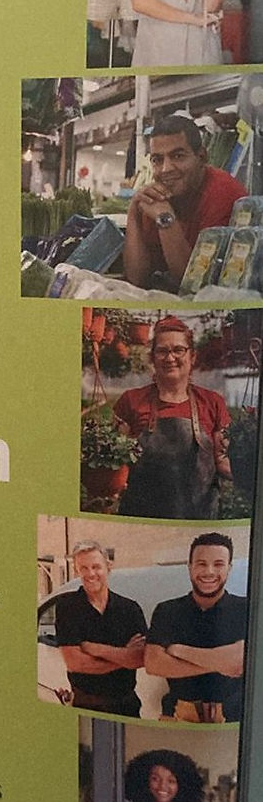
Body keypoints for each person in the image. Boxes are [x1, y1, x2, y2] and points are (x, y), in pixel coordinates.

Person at [112, 316, 232, 519]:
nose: (170, 358)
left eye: (178, 350)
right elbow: (114, 461)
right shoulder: (130, 401)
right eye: (162, 351)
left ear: (192, 356)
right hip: (141, 518)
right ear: (152, 357)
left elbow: (223, 461)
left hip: (198, 519)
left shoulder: (212, 402)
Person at [122, 115, 245, 289]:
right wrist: (134, 211)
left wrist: (166, 219)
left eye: (178, 156)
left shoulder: (224, 193)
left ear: (201, 157)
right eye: (157, 160)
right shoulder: (155, 198)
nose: (166, 169)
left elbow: (192, 283)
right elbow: (137, 279)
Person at [145, 531, 246, 721]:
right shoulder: (167, 610)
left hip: (233, 718)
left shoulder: (246, 608)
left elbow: (239, 662)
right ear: (190, 567)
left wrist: (179, 650)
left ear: (229, 568)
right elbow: (153, 664)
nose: (209, 571)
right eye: (201, 564)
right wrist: (221, 663)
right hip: (177, 714)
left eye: (218, 564)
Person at [54, 542, 146, 715]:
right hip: (86, 707)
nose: (90, 574)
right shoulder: (67, 607)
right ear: (76, 571)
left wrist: (96, 649)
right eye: (84, 568)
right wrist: (124, 656)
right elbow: (75, 663)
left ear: (108, 567)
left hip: (127, 707)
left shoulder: (129, 609)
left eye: (96, 567)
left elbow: (140, 658)